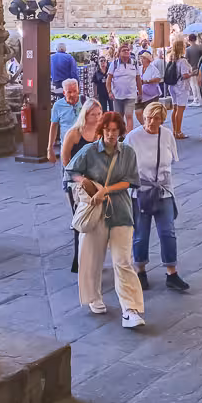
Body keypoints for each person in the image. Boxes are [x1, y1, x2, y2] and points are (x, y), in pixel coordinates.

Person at [66, 111, 145, 328]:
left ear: (121, 131)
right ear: (102, 131)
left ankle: (130, 309)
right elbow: (70, 171)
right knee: (93, 259)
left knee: (123, 262)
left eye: (115, 130)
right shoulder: (89, 151)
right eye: (107, 130)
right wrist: (87, 183)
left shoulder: (128, 152)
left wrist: (106, 190)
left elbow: (130, 180)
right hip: (96, 211)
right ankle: (94, 297)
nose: (111, 135)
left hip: (120, 210)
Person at [125, 102, 189, 292]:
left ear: (162, 119)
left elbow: (172, 161)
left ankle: (172, 272)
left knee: (168, 232)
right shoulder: (132, 137)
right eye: (148, 118)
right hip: (141, 192)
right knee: (141, 234)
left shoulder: (167, 135)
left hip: (163, 190)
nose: (151, 122)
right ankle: (140, 270)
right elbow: (125, 167)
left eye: (156, 118)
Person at [61, 99, 103, 274]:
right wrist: (79, 178)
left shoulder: (101, 132)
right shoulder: (74, 133)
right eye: (93, 114)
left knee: (97, 221)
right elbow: (65, 159)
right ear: (85, 114)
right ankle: (79, 261)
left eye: (99, 114)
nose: (97, 117)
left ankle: (94, 258)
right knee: (81, 219)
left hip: (96, 179)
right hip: (75, 179)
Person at [165, 38, 195, 140]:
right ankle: (178, 131)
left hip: (172, 86)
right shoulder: (183, 61)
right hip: (181, 87)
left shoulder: (172, 59)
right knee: (180, 110)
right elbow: (185, 75)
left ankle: (174, 130)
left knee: (175, 109)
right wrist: (193, 73)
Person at [46, 77, 82, 163]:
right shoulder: (58, 106)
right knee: (67, 173)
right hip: (66, 147)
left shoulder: (85, 102)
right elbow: (53, 126)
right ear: (64, 93)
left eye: (75, 91)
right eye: (69, 92)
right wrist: (50, 148)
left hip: (83, 146)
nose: (73, 94)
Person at [106, 48, 140, 127]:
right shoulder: (114, 64)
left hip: (131, 95)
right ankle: (121, 135)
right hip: (117, 96)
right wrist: (109, 91)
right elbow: (109, 79)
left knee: (129, 116)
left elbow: (138, 79)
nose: (126, 51)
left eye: (128, 50)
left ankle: (128, 137)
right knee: (119, 117)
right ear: (119, 53)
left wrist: (140, 93)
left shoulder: (134, 63)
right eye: (124, 50)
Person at [138, 50, 164, 127]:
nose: (141, 60)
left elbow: (158, 79)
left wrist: (147, 81)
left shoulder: (153, 69)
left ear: (148, 60)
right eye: (141, 58)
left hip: (152, 94)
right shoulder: (139, 68)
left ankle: (152, 125)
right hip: (142, 94)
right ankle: (145, 125)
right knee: (138, 111)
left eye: (143, 58)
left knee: (150, 111)